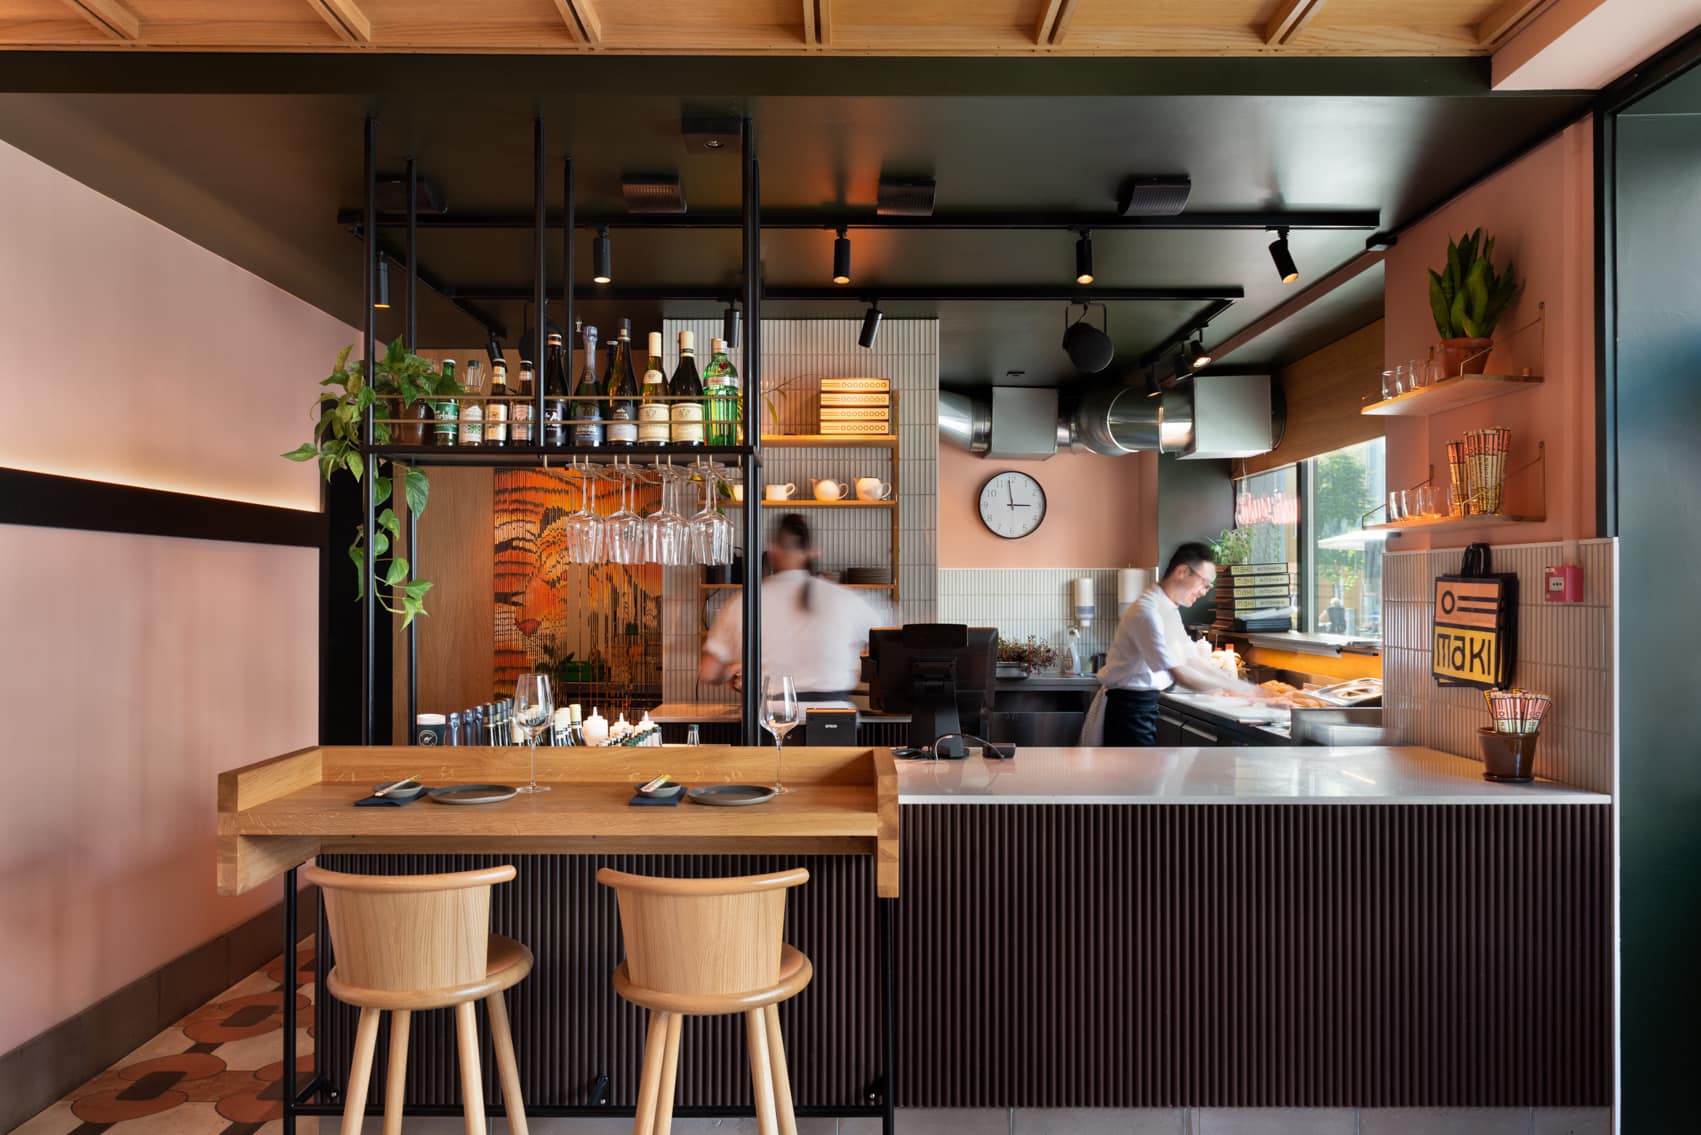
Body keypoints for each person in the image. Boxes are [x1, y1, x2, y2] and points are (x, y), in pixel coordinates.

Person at [699, 513, 888, 708]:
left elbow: (709, 672)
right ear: (813, 551)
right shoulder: (845, 599)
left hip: (771, 716)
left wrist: (731, 670)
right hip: (835, 717)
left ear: (772, 551)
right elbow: (888, 641)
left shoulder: (743, 602)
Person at [1096, 541, 1267, 746]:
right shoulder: (1148, 612)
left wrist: (1239, 686)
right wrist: (1243, 689)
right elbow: (1181, 674)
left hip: (1141, 706)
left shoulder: (1168, 609)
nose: (1204, 592)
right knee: (1134, 768)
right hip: (1129, 710)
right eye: (1205, 583)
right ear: (1182, 572)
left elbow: (1191, 659)